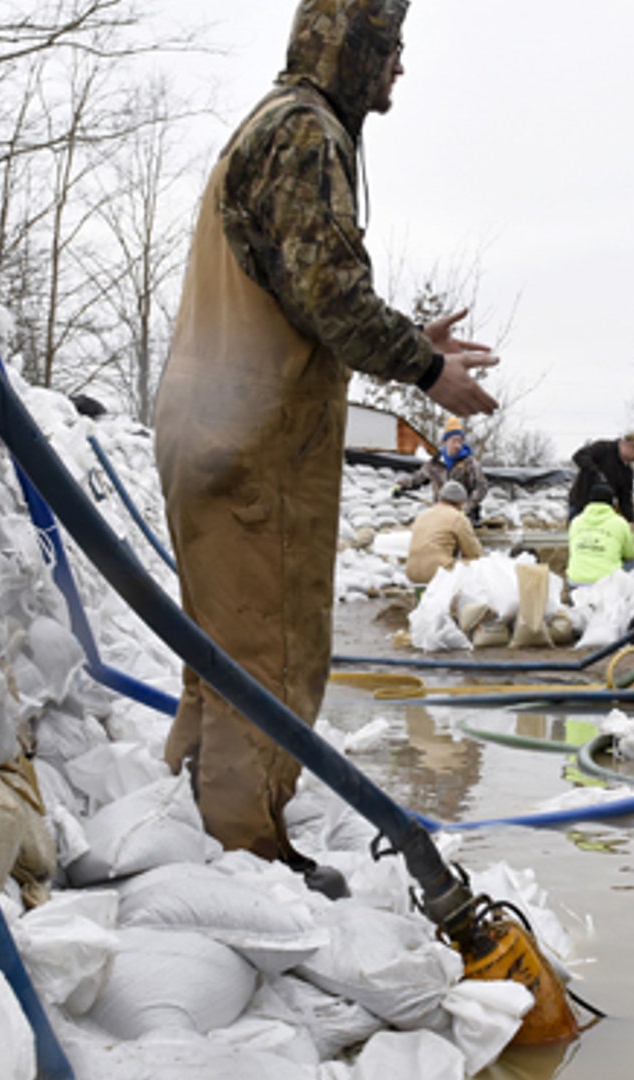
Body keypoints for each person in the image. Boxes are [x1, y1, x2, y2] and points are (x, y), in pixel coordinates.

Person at [152, 0, 498, 878]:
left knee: (219, 654)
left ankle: (187, 825)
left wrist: (414, 338)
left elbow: (298, 290)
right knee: (268, 661)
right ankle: (249, 859)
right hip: (250, 443)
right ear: (354, 47)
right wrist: (428, 372)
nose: (399, 68)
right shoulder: (306, 133)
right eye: (391, 48)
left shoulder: (271, 129)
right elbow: (330, 291)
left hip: (211, 428)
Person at [394, 417, 490, 522]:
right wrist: (401, 485)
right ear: (446, 441)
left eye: (460, 441)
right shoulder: (435, 463)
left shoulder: (470, 463)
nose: (458, 445)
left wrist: (466, 507)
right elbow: (418, 477)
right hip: (441, 515)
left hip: (464, 517)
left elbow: (482, 487)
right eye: (454, 441)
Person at [405, 481, 482, 585]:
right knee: (476, 565)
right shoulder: (458, 518)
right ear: (461, 502)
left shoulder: (422, 515)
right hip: (438, 571)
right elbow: (474, 554)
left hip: (412, 572)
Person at [566, 482, 634, 585]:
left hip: (575, 581)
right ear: (612, 503)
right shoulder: (620, 523)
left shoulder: (576, 522)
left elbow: (571, 549)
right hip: (607, 582)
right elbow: (630, 554)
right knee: (632, 564)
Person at [568, 432, 634, 521]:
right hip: (581, 504)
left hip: (603, 512)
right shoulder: (604, 448)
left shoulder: (626, 472)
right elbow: (579, 456)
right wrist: (596, 474)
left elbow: (625, 500)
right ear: (628, 446)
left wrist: (630, 520)